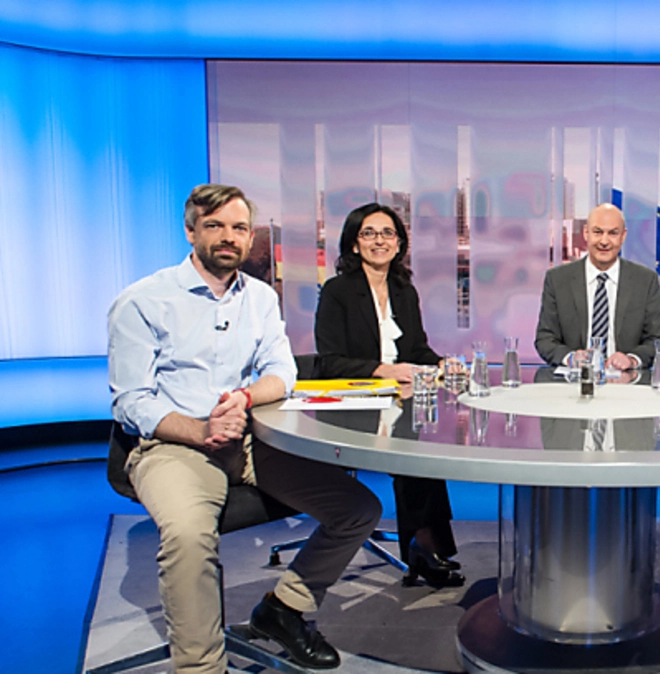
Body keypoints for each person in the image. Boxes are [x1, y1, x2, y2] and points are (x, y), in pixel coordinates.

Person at [108, 184, 382, 673]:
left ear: (250, 237)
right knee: (189, 538)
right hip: (173, 446)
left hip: (249, 440)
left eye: (238, 228)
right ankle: (201, 667)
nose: (228, 237)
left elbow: (282, 372)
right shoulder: (143, 301)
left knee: (358, 509)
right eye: (214, 226)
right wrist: (200, 430)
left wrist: (245, 398)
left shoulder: (259, 297)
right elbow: (131, 402)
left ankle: (285, 608)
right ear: (190, 231)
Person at [314, 202, 464, 587]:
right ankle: (424, 546)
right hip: (353, 404)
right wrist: (384, 370)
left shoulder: (403, 291)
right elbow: (330, 361)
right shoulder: (337, 291)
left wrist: (443, 363)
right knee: (411, 449)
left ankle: (425, 545)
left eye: (387, 233)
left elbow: (417, 351)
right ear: (353, 243)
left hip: (397, 402)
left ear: (399, 243)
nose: (379, 240)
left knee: (423, 446)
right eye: (369, 233)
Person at [535, 203, 660, 370]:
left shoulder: (645, 281)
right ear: (586, 233)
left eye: (613, 233)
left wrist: (632, 359)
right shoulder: (558, 279)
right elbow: (545, 339)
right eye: (597, 232)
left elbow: (656, 339)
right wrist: (570, 358)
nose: (604, 241)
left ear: (623, 236)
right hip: (573, 380)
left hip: (626, 381)